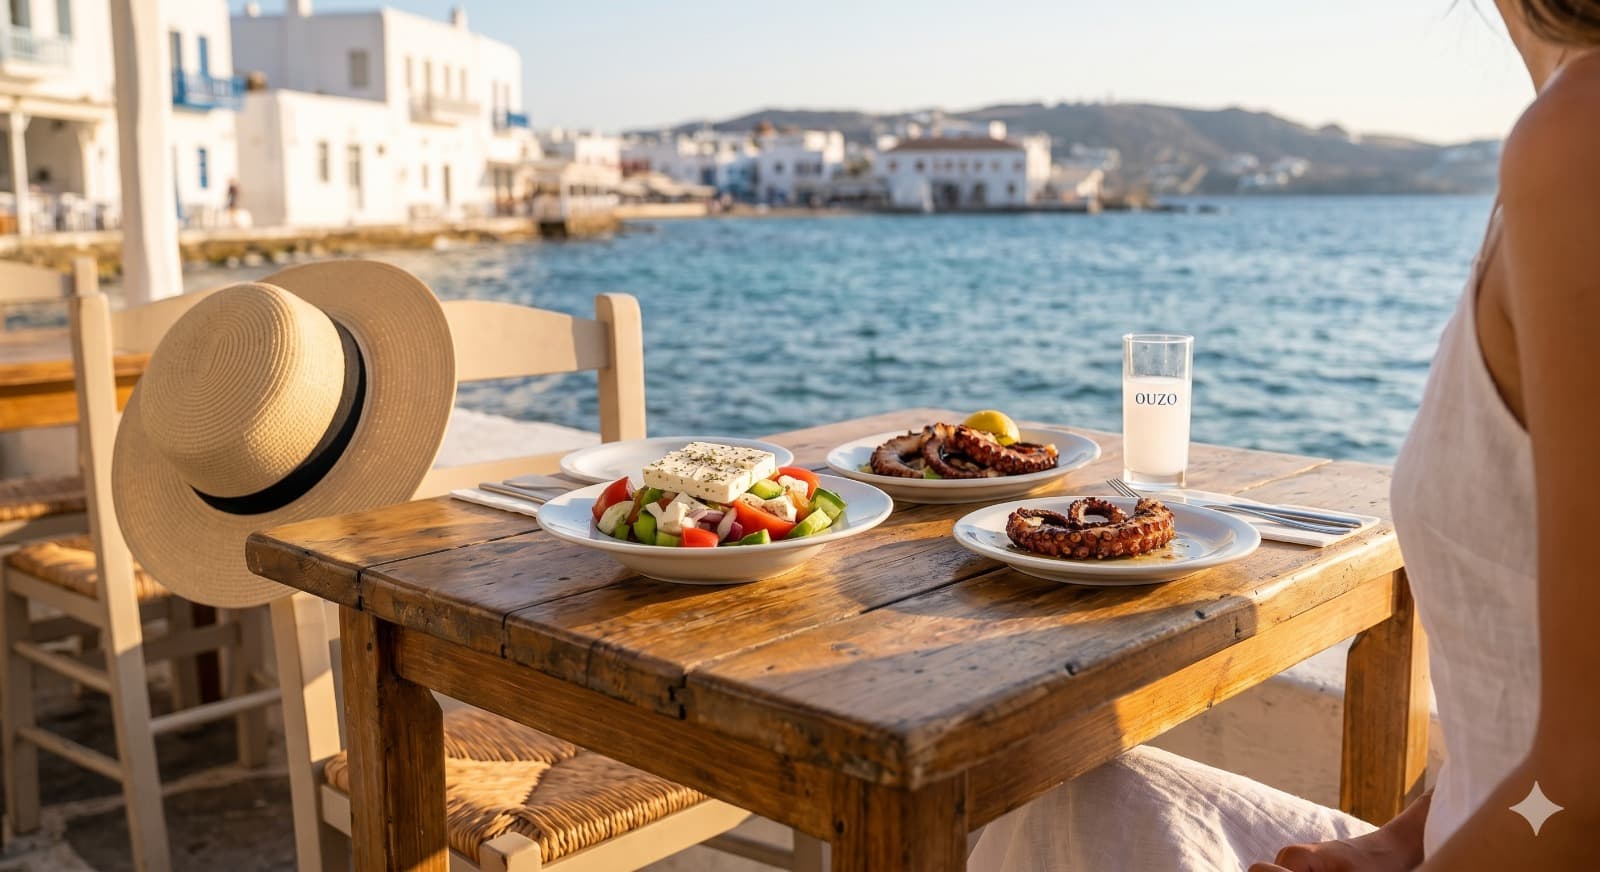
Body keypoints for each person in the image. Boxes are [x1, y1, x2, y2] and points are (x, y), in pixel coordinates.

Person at [968, 2, 1600, 869]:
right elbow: (1530, 736)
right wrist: (1395, 844)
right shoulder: (1559, 139)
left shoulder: (1579, 142)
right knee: (1060, 803)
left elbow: (1583, 786)